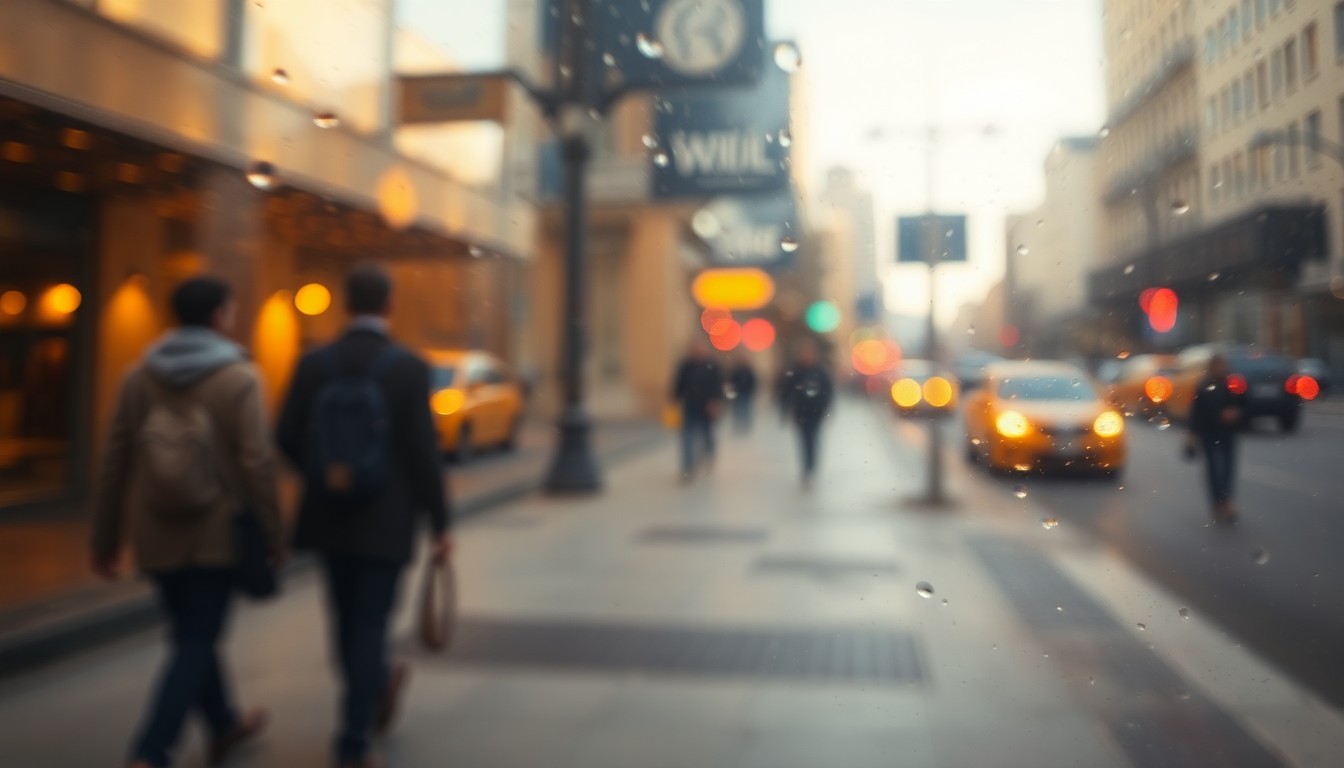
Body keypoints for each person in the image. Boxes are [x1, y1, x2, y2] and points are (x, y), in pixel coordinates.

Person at [91, 276, 283, 768]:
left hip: (154, 536)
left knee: (192, 636)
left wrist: (105, 539)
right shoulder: (241, 377)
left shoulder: (137, 377)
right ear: (220, 315)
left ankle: (225, 725)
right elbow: (257, 463)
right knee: (196, 640)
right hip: (215, 537)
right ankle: (151, 750)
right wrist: (274, 535)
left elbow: (114, 461)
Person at [277, 264, 451, 768]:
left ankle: (368, 693)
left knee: (343, 618)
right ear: (390, 305)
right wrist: (440, 523)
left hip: (329, 515)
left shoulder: (314, 364)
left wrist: (322, 470)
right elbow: (423, 453)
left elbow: (285, 433)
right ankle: (353, 741)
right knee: (372, 621)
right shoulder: (408, 368)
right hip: (387, 519)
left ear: (344, 303)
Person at [1186, 352, 1244, 523]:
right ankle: (1217, 503)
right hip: (1209, 434)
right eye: (1219, 365)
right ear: (1212, 367)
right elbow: (1196, 413)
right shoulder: (1204, 386)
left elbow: (1244, 404)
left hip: (1228, 433)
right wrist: (1192, 434)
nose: (1222, 368)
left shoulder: (1232, 385)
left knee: (1227, 470)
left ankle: (1225, 502)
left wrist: (1235, 413)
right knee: (1213, 471)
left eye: (1223, 365)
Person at [781, 339, 834, 486]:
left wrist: (826, 409)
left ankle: (811, 466)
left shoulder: (821, 372)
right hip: (800, 412)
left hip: (816, 412)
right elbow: (787, 390)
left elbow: (828, 392)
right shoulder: (796, 371)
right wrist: (785, 409)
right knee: (803, 440)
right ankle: (806, 467)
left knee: (813, 439)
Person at [670, 338, 725, 480]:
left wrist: (715, 402)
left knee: (707, 435)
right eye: (694, 348)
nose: (697, 351)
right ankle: (688, 467)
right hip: (690, 406)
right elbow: (678, 384)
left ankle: (708, 456)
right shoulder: (686, 365)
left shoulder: (712, 365)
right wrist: (674, 400)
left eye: (699, 348)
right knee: (687, 437)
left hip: (707, 407)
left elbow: (718, 386)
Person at [728, 355, 759, 433]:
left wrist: (750, 390)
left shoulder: (749, 371)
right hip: (738, 394)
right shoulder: (736, 371)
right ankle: (738, 427)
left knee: (746, 410)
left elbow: (753, 382)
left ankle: (746, 427)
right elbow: (732, 382)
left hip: (746, 393)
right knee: (738, 411)